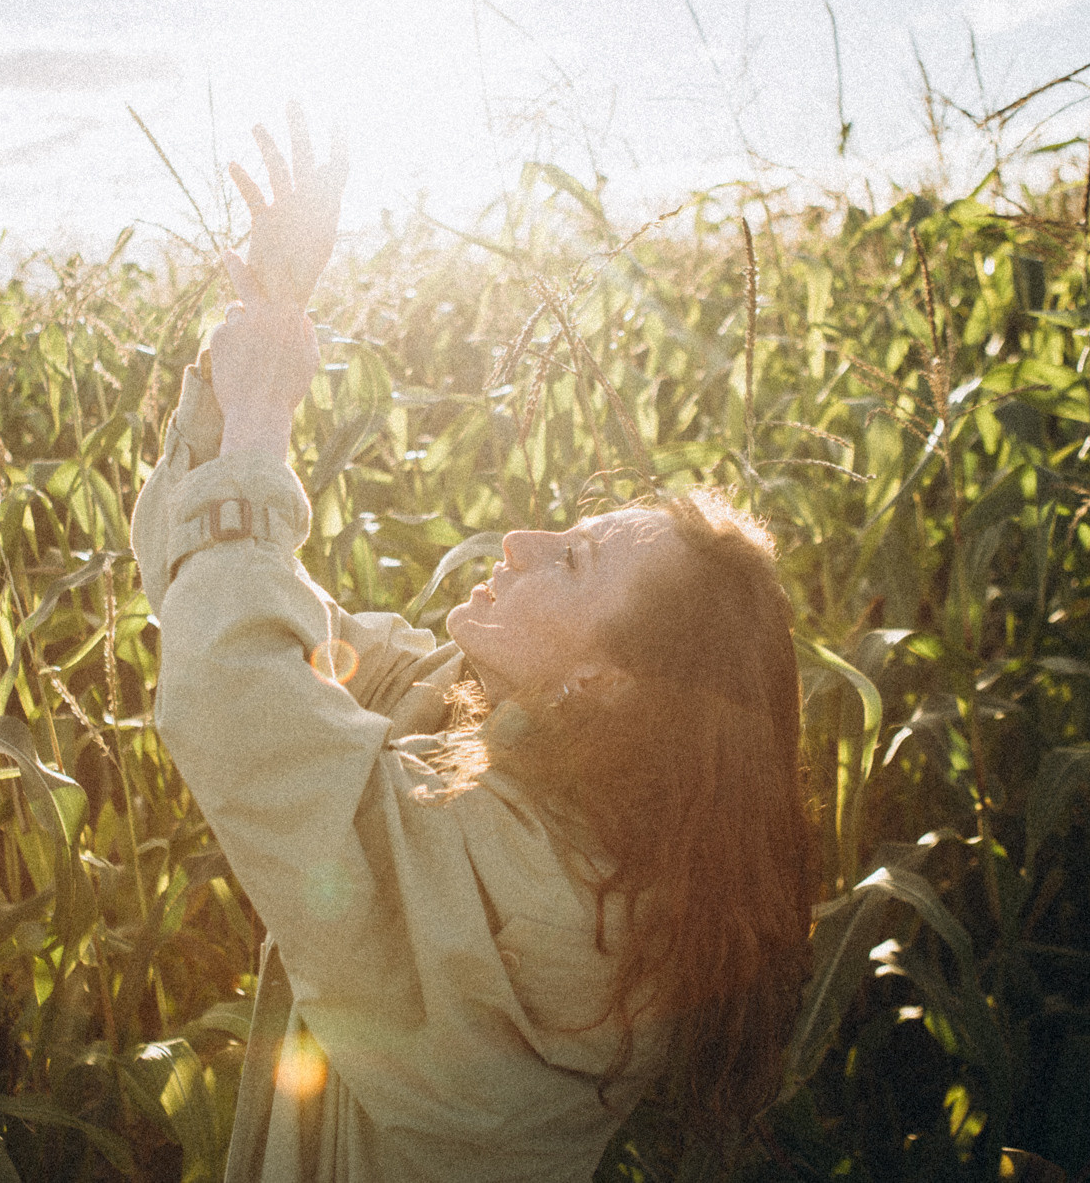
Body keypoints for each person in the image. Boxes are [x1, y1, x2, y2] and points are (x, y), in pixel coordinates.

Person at [130, 108, 815, 1182]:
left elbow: (234, 696)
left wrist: (262, 420)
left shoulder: (539, 902)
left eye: (573, 562)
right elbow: (210, 598)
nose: (519, 541)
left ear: (601, 680)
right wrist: (263, 328)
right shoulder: (494, 733)